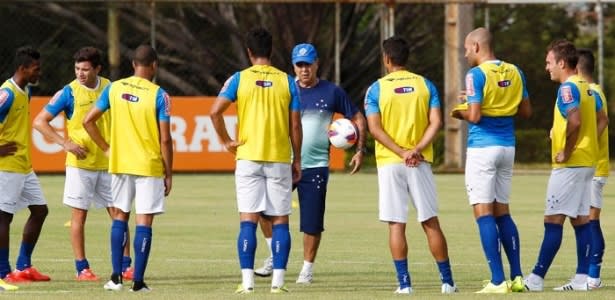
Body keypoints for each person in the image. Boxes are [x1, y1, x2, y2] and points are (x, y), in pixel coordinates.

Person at [254, 43, 367, 284]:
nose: (304, 69)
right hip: (282, 162)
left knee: (312, 221)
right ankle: (274, 255)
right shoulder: (283, 89)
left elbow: (357, 116)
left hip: (315, 166)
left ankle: (307, 269)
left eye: (309, 64)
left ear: (317, 64)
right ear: (294, 66)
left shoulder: (332, 92)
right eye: (300, 65)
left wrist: (359, 149)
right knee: (263, 210)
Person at [210, 27, 302, 294]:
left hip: (248, 157)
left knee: (248, 221)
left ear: (249, 52)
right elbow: (295, 126)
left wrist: (227, 141)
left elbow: (215, 112)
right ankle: (278, 284)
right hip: (279, 159)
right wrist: (297, 160)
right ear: (271, 51)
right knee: (280, 221)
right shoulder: (288, 81)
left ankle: (248, 283)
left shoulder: (239, 79)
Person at [364, 36, 457, 295]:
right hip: (420, 161)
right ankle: (447, 282)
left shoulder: (376, 89)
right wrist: (415, 149)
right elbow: (436, 122)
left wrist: (401, 151)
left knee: (397, 224)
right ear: (407, 58)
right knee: (430, 222)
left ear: (386, 59)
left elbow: (375, 128)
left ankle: (405, 285)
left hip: (391, 163)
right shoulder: (425, 85)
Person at [32, 47, 133, 281]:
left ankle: (126, 266)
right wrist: (64, 142)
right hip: (81, 165)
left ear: (97, 69)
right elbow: (40, 121)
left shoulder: (112, 88)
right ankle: (82, 268)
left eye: (86, 69)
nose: (80, 73)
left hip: (109, 164)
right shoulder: (68, 92)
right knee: (79, 216)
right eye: (77, 69)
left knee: (119, 214)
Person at [83, 45, 173, 292]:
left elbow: (87, 121)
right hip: (149, 166)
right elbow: (165, 139)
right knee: (144, 222)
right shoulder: (159, 95)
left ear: (133, 64)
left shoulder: (114, 88)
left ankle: (115, 278)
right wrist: (169, 172)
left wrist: (106, 149)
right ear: (154, 66)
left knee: (120, 216)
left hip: (120, 164)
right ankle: (138, 282)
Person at [451, 27, 532, 294]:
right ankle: (518, 277)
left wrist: (459, 112)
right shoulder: (515, 71)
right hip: (508, 147)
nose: (464, 54)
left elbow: (474, 116)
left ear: (476, 46)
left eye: (465, 48)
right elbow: (526, 111)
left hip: (483, 149)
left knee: (483, 213)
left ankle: (498, 281)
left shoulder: (475, 74)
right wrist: (492, 106)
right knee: (503, 212)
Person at [523, 40, 608, 292]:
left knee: (553, 220)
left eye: (549, 62)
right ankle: (582, 279)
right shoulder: (588, 87)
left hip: (571, 165)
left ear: (562, 63)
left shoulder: (568, 89)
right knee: (581, 221)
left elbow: (575, 120)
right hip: (588, 163)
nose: (547, 67)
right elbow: (602, 119)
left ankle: (536, 278)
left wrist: (567, 149)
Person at [0, 47, 51, 289]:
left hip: (23, 166)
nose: (38, 72)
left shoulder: (26, 91)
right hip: (5, 166)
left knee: (40, 210)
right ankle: (2, 272)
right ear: (23, 68)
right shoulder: (6, 94)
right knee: (3, 218)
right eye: (36, 68)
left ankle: (23, 266)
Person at [578, 48, 609, 290]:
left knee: (591, 221)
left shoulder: (591, 92)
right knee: (587, 220)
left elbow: (602, 122)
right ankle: (587, 275)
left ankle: (593, 276)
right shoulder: (593, 90)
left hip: (594, 168)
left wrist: (587, 144)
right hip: (592, 167)